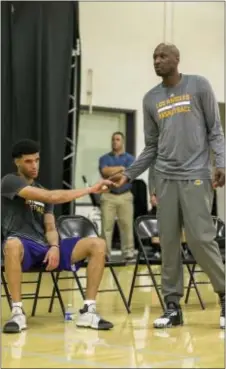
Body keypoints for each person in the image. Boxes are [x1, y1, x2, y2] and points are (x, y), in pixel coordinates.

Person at [113, 43, 225, 329]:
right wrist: (128, 174)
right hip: (164, 177)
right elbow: (151, 147)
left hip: (196, 174)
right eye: (154, 57)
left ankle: (224, 294)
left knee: (200, 239)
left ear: (177, 59)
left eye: (163, 56)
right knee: (170, 243)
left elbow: (215, 129)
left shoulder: (198, 85)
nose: (157, 61)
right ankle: (172, 306)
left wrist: (221, 162)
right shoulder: (151, 99)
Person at [2, 139, 115, 333]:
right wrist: (90, 189)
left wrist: (54, 246)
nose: (34, 165)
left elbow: (50, 227)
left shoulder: (44, 190)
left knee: (97, 243)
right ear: (17, 162)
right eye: (29, 161)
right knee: (11, 244)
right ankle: (17, 312)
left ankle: (88, 309)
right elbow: (52, 197)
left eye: (37, 160)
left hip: (45, 247)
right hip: (22, 246)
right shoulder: (10, 181)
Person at [99, 132, 135, 261]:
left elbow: (128, 174)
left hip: (125, 196)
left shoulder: (131, 158)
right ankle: (104, 253)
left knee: (126, 225)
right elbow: (104, 173)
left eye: (118, 139)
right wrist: (121, 168)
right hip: (108, 195)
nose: (115, 142)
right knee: (106, 227)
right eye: (113, 139)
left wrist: (113, 172)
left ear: (122, 142)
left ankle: (128, 253)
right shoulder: (104, 158)